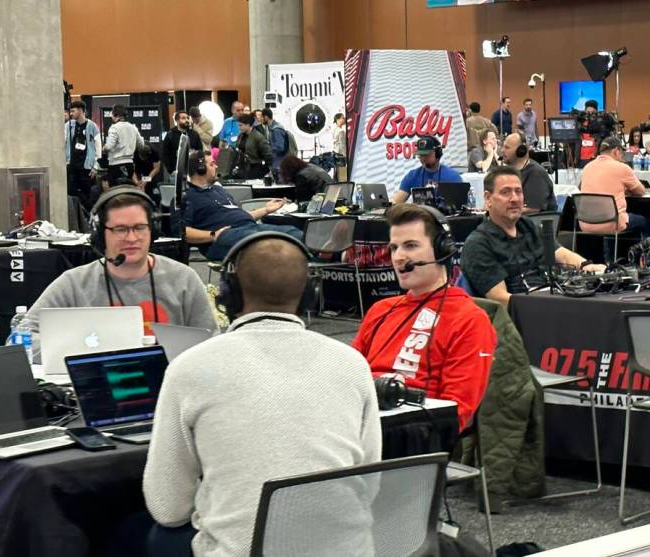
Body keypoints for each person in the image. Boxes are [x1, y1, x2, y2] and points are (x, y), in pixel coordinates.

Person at [144, 233, 381, 557]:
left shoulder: (188, 368)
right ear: (310, 295)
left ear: (227, 295)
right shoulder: (352, 364)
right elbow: (368, 488)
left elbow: (168, 508)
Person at [351, 204, 496, 431]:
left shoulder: (469, 320)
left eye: (410, 246)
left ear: (442, 250)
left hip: (409, 439)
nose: (398, 257)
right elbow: (348, 377)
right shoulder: (380, 310)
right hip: (358, 423)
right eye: (394, 247)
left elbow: (455, 414)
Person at [26, 186, 218, 346]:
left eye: (139, 227)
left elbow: (212, 345)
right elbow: (21, 337)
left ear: (153, 231)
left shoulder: (184, 279)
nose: (132, 238)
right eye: (121, 229)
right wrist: (79, 351)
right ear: (100, 235)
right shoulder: (75, 284)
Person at [461, 167, 605, 306]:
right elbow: (501, 300)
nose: (514, 198)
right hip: (523, 316)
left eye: (518, 191)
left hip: (552, 299)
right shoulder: (478, 244)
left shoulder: (527, 225)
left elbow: (560, 253)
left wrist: (588, 266)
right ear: (488, 198)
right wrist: (548, 305)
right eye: (505, 192)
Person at [183, 150, 302, 261]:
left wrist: (266, 210)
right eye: (212, 164)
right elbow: (183, 232)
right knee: (268, 242)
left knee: (296, 234)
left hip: (249, 228)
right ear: (200, 169)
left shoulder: (218, 190)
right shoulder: (187, 197)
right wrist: (213, 235)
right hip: (225, 236)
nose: (217, 167)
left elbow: (240, 216)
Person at [579, 136, 650, 237]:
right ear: (616, 151)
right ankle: (643, 252)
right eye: (622, 153)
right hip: (612, 223)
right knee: (647, 223)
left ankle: (610, 253)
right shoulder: (622, 167)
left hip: (585, 223)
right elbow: (641, 191)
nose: (622, 156)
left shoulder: (587, 167)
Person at [391, 136, 464, 204]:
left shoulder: (453, 177)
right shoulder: (412, 176)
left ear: (438, 154)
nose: (423, 159)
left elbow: (460, 206)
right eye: (421, 155)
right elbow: (396, 201)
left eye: (427, 155)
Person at [501, 131, 556, 213]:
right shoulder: (508, 172)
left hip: (532, 223)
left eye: (507, 147)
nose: (502, 150)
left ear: (521, 150)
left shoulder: (536, 173)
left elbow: (533, 209)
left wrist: (501, 212)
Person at [65, 100, 101, 209]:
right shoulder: (68, 126)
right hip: (72, 166)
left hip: (87, 168)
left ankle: (90, 215)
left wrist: (95, 166)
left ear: (81, 110)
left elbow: (98, 147)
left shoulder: (93, 126)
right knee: (71, 192)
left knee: (89, 193)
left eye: (73, 111)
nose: (70, 114)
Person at [104, 104, 143, 186]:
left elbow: (109, 146)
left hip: (115, 165)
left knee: (114, 193)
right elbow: (141, 145)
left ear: (115, 115)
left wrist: (103, 149)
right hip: (130, 166)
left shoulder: (114, 128)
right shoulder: (133, 127)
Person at [161, 110, 203, 175]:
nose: (186, 120)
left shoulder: (194, 134)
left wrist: (198, 166)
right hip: (176, 172)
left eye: (187, 118)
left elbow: (200, 151)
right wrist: (171, 170)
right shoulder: (170, 135)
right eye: (183, 118)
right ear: (177, 120)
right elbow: (165, 155)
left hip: (193, 171)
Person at [235, 114, 273, 179]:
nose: (239, 127)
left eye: (241, 125)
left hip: (255, 168)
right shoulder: (240, 135)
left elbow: (268, 154)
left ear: (248, 125)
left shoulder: (258, 137)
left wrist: (266, 169)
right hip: (242, 168)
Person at [261, 107, 291, 173]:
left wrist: (267, 148)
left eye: (261, 117)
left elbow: (280, 147)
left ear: (266, 117)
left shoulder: (276, 130)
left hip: (278, 163)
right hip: (276, 161)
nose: (260, 119)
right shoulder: (270, 128)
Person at [575, 99, 600, 168]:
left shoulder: (599, 124)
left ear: (596, 112)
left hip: (595, 159)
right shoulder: (579, 124)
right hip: (581, 159)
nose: (590, 114)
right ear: (585, 111)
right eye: (588, 112)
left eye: (592, 112)